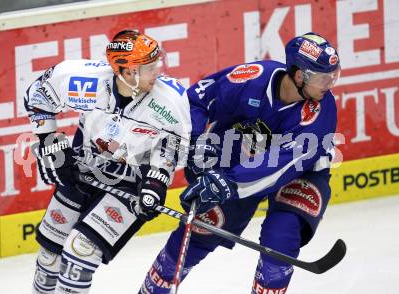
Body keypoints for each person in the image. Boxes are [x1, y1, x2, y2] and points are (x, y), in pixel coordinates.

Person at [139, 32, 341, 293]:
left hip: (301, 173)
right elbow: (198, 100)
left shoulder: (322, 113)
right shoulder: (252, 77)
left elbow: (281, 166)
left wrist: (227, 182)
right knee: (196, 234)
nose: (330, 84)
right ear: (299, 75)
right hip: (236, 162)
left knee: (280, 238)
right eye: (324, 77)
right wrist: (197, 143)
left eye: (334, 75)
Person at [24, 30, 191, 294]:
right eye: (147, 68)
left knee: (80, 251)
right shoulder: (81, 79)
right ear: (125, 71)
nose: (156, 72)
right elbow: (38, 96)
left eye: (155, 64)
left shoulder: (170, 99)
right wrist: (50, 144)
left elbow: (172, 146)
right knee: (50, 256)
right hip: (81, 170)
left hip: (130, 182)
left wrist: (157, 181)